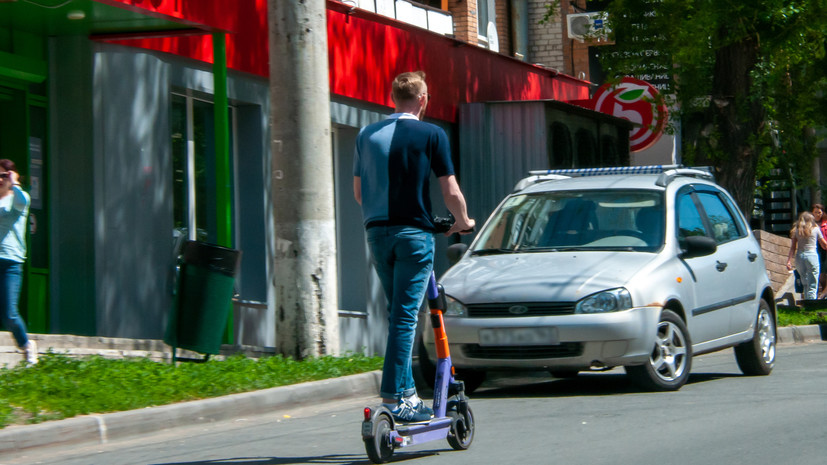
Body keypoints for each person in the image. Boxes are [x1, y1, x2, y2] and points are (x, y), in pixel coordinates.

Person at [353, 71, 475, 422]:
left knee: (397, 316)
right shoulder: (432, 134)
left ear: (393, 98)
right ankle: (394, 397)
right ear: (423, 99)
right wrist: (463, 221)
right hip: (414, 236)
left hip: (377, 233)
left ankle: (407, 394)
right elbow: (450, 191)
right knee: (407, 317)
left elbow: (360, 194)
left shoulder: (366, 134)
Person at [0, 159, 36, 364]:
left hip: (10, 263)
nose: (0, 179)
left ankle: (26, 346)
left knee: (10, 315)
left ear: (13, 176)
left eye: (4, 175)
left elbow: (22, 200)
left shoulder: (19, 198)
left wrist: (14, 183)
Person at [787, 211, 827, 301]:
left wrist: (789, 261)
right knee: (812, 284)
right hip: (812, 255)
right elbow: (824, 244)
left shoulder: (796, 230)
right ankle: (811, 306)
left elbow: (793, 247)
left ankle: (806, 303)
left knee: (804, 283)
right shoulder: (815, 229)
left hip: (799, 257)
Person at [813, 204, 827, 298]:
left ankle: (823, 294)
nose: (818, 214)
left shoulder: (825, 224)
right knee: (821, 273)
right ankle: (823, 293)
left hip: (825, 249)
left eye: (819, 212)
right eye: (816, 212)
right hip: (815, 249)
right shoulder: (810, 224)